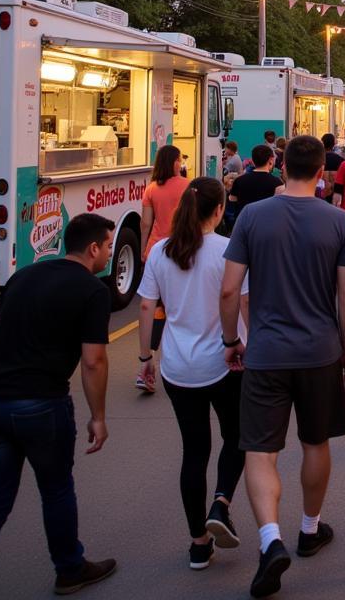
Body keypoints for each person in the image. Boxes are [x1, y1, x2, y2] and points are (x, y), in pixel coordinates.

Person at [220, 136, 345, 600]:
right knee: (315, 441)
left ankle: (269, 539)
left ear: (282, 168)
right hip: (319, 351)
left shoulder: (254, 218)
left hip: (265, 353)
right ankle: (308, 528)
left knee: (260, 450)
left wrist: (231, 340)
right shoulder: (338, 222)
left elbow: (228, 290)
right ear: (322, 170)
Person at [0, 213, 117, 598]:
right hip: (39, 405)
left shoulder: (24, 275)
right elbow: (93, 360)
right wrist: (98, 417)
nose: (110, 253)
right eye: (109, 246)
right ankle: (69, 568)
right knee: (56, 489)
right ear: (93, 248)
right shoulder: (93, 290)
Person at [136, 178, 248, 571]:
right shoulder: (228, 250)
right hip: (225, 361)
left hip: (178, 366)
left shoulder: (160, 253)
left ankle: (198, 544)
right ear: (219, 211)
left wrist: (144, 356)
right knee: (236, 436)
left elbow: (148, 308)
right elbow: (240, 300)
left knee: (194, 451)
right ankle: (221, 502)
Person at [138, 144, 188, 393]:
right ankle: (175, 362)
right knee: (178, 307)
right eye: (180, 160)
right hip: (182, 250)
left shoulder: (151, 188)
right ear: (175, 163)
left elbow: (146, 223)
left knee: (154, 307)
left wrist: (142, 250)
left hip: (156, 250)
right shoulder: (188, 186)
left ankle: (146, 363)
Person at [229, 145, 279, 219]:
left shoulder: (239, 180)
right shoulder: (277, 183)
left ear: (252, 161)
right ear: (270, 160)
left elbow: (232, 199)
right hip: (267, 223)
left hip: (243, 222)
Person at [321, 133, 345, 200]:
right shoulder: (340, 160)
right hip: (335, 193)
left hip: (320, 194)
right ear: (334, 144)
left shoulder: (317, 160)